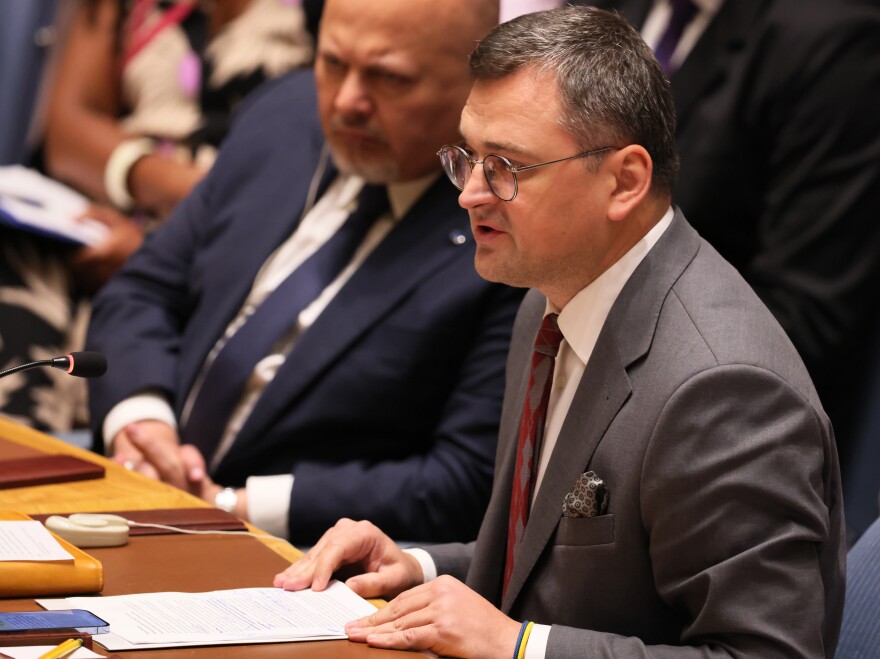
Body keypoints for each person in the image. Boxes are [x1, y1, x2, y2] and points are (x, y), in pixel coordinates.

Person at [274, 7, 845, 657]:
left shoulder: (723, 388)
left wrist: (521, 647)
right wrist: (420, 566)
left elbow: (768, 653)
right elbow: (561, 565)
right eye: (467, 157)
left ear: (624, 181)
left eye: (507, 166)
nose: (469, 194)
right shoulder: (554, 292)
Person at [86, 0, 521, 546]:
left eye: (388, 78)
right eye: (333, 63)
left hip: (294, 556)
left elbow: (460, 481)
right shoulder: (284, 114)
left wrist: (226, 504)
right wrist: (142, 423)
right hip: (133, 480)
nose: (346, 101)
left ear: (472, 85)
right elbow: (144, 289)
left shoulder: (505, 234)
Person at [562, 0, 880, 473]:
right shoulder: (607, 11)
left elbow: (805, 314)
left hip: (719, 433)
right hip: (563, 360)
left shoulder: (828, 37)